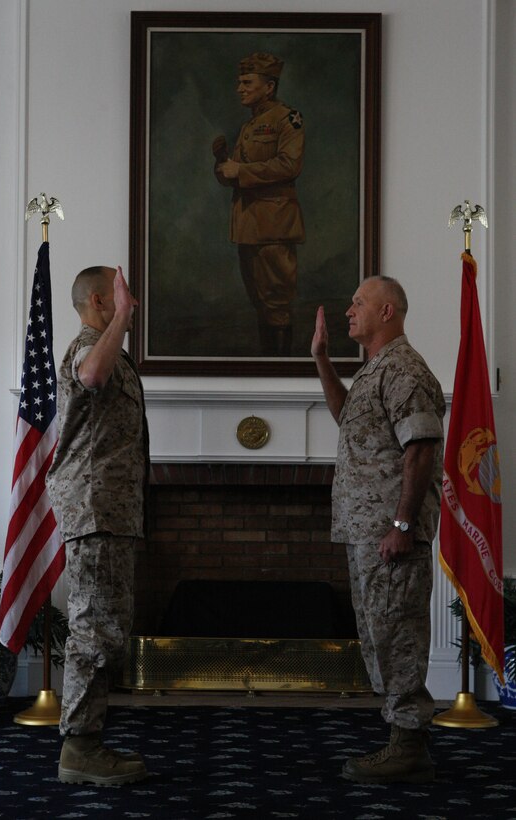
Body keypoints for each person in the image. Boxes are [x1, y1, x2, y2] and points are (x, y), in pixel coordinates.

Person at [311, 276, 445, 784]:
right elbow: (348, 419)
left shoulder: (405, 368)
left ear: (387, 311)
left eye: (358, 302)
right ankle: (401, 739)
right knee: (380, 637)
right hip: (367, 531)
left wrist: (403, 524)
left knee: (398, 636)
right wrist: (323, 360)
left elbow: (422, 447)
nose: (349, 309)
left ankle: (409, 746)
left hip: (392, 534)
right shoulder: (375, 370)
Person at [46, 265, 149, 786]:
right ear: (97, 300)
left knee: (105, 627)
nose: (130, 303)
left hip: (111, 511)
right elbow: (91, 377)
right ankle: (80, 748)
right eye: (121, 297)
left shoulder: (111, 349)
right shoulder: (87, 347)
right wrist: (124, 319)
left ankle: (87, 740)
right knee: (93, 629)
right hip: (95, 509)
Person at [213, 52, 305, 357]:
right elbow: (237, 174)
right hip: (248, 226)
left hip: (275, 225)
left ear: (269, 86)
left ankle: (279, 374)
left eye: (247, 82)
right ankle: (269, 366)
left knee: (276, 303)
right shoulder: (249, 126)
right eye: (239, 82)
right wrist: (222, 165)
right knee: (260, 302)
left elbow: (289, 165)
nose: (240, 88)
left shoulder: (286, 119)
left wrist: (241, 171)